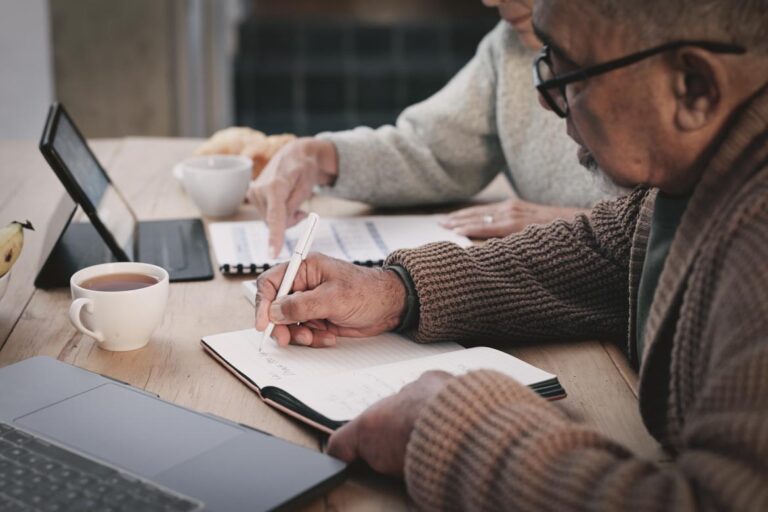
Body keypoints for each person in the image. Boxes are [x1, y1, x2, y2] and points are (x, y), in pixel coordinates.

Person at [253, 0, 768, 509]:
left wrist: (454, 428)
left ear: (694, 88)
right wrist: (394, 292)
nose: (546, 101)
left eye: (572, 71)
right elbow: (606, 247)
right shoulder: (694, 181)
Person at [247, 0, 626, 258]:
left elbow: (680, 226)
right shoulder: (509, 46)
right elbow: (428, 149)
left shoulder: (651, 58)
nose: (489, 0)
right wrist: (317, 157)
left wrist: (576, 226)